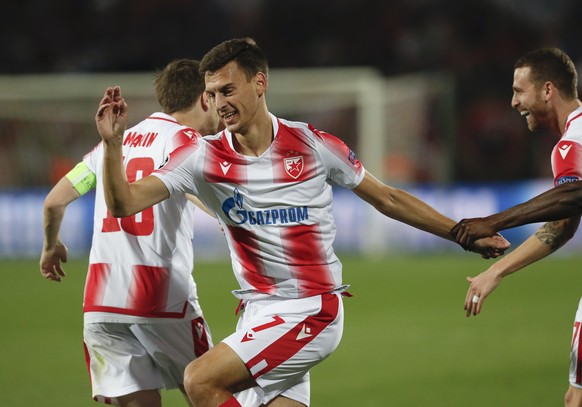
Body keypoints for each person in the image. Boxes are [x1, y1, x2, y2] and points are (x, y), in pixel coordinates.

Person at [95, 38, 509, 407]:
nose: (219, 103)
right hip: (257, 312)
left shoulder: (312, 144)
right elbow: (123, 203)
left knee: (199, 380)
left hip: (311, 308)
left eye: (228, 89)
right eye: (211, 94)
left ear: (260, 83)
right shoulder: (200, 158)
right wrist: (113, 146)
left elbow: (387, 197)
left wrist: (461, 234)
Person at [40, 59, 222, 407]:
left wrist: (51, 246)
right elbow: (215, 204)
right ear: (203, 99)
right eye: (213, 95)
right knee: (213, 393)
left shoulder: (110, 146)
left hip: (102, 303)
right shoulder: (187, 144)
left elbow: (53, 202)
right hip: (162, 299)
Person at [450, 47, 582, 406]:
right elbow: (563, 226)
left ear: (548, 90)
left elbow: (572, 197)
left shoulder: (573, 141)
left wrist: (492, 221)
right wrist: (497, 271)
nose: (512, 102)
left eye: (519, 91)